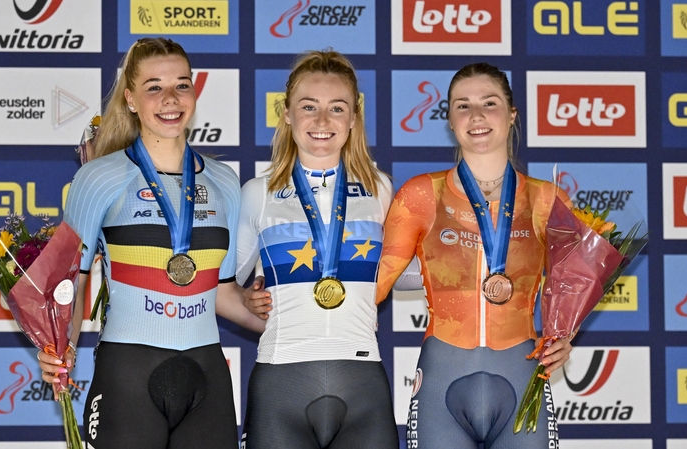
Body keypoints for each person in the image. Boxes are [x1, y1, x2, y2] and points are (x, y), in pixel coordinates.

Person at [37, 37, 264, 449]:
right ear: (130, 99)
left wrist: (297, 322)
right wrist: (60, 348)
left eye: (182, 84)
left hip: (206, 370)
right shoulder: (99, 178)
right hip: (128, 371)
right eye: (154, 87)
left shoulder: (224, 182)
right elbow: (74, 283)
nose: (170, 98)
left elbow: (224, 293)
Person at [375, 63, 573, 448]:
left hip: (522, 373)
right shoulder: (421, 194)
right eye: (462, 106)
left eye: (490, 103)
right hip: (441, 378)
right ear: (449, 118)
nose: (477, 116)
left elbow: (572, 284)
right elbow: (376, 282)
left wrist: (564, 336)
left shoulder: (547, 199)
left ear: (512, 114)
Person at [235, 50, 406, 448]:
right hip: (281, 380)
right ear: (288, 114)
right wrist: (245, 298)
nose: (322, 121)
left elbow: (410, 273)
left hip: (363, 381)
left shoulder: (381, 190)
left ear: (354, 117)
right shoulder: (257, 193)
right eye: (308, 107)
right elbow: (219, 286)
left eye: (337, 108)